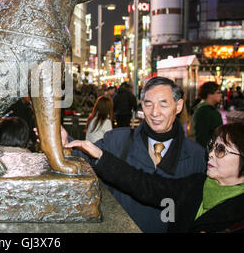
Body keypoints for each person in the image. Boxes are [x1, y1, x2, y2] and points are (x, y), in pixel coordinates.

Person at [71, 76, 206, 233]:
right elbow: (79, 157)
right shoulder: (117, 141)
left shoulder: (197, 156)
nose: (155, 112)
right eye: (148, 104)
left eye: (164, 104)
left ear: (178, 106)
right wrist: (63, 140)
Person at [65, 122, 244, 233]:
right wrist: (99, 155)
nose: (211, 154)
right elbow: (144, 184)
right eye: (212, 146)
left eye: (221, 150)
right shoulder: (196, 185)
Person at [192, 82, 223, 148]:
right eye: (218, 92)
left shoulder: (206, 109)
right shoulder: (205, 111)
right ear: (209, 94)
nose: (221, 95)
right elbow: (202, 136)